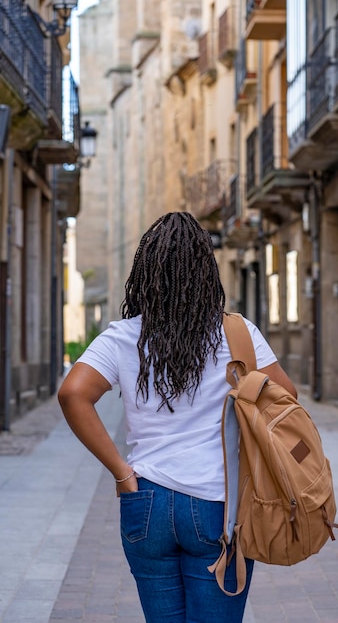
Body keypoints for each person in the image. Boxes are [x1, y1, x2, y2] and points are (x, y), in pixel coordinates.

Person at [58, 211, 297, 623]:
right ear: (206, 271)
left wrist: (120, 472)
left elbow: (73, 393)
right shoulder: (237, 334)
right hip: (217, 504)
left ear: (145, 273)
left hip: (144, 501)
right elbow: (286, 398)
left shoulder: (122, 336)